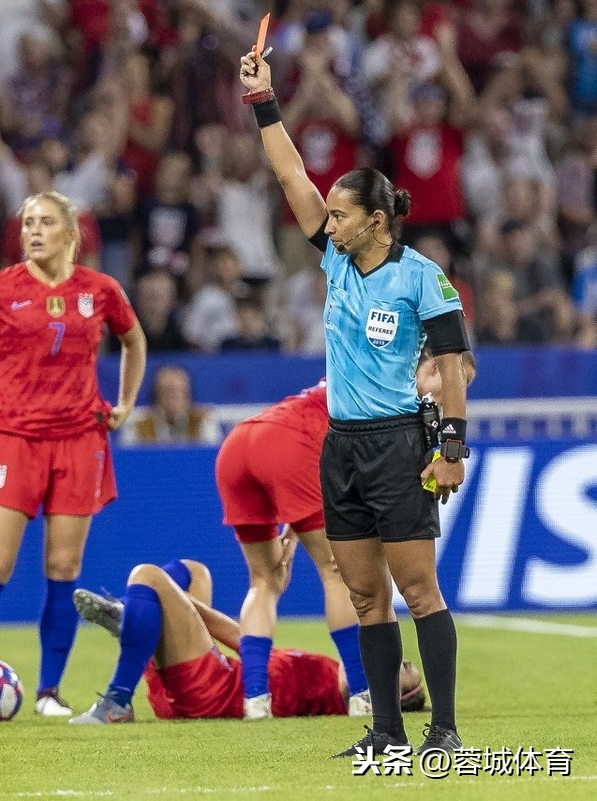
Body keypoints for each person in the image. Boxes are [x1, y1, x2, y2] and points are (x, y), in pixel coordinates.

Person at [240, 49, 472, 757]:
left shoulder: (423, 280)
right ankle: (387, 732)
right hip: (340, 446)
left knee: (419, 591)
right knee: (365, 596)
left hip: (400, 442)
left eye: (340, 215)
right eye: (329, 214)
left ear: (376, 221)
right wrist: (264, 103)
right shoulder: (336, 258)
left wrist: (450, 449)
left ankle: (444, 729)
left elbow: (453, 368)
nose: (327, 224)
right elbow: (289, 174)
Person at [0, 189, 147, 720]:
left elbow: (134, 340)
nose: (33, 232)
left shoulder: (101, 290)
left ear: (71, 234)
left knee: (63, 567)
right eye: (27, 223)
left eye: (46, 222)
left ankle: (49, 692)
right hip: (14, 437)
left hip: (79, 439)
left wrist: (127, 403)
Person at [217, 349, 477, 721]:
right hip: (292, 448)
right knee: (338, 572)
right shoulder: (398, 392)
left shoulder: (367, 368)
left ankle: (255, 699)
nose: (447, 399)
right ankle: (361, 690)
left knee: (265, 578)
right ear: (434, 366)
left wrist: (295, 520)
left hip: (241, 445)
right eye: (455, 384)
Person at [67, 557, 425, 724]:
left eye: (402, 670)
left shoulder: (331, 689)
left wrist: (171, 600)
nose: (397, 660)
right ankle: (135, 621)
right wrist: (179, 601)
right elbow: (244, 641)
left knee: (146, 575)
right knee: (195, 574)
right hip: (208, 686)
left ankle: (118, 700)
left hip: (208, 690)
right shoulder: (325, 673)